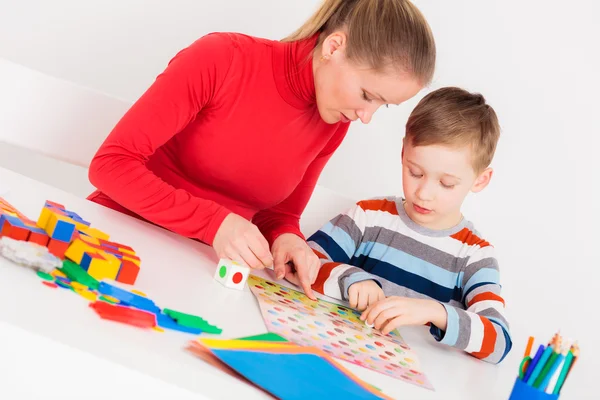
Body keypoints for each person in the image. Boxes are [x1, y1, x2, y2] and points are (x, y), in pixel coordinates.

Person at [86, 0, 436, 300]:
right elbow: (111, 165)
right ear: (333, 47)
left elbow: (279, 215)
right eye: (367, 95)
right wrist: (213, 223)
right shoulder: (222, 59)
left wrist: (289, 240)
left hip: (204, 279)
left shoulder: (334, 121)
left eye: (383, 105)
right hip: (114, 246)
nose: (366, 117)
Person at [307, 87, 512, 364]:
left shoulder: (475, 256)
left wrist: (433, 312)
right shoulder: (369, 216)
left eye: (446, 183)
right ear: (404, 152)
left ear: (480, 180)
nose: (424, 192)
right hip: (337, 358)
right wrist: (350, 278)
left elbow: (499, 342)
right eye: (415, 172)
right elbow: (303, 260)